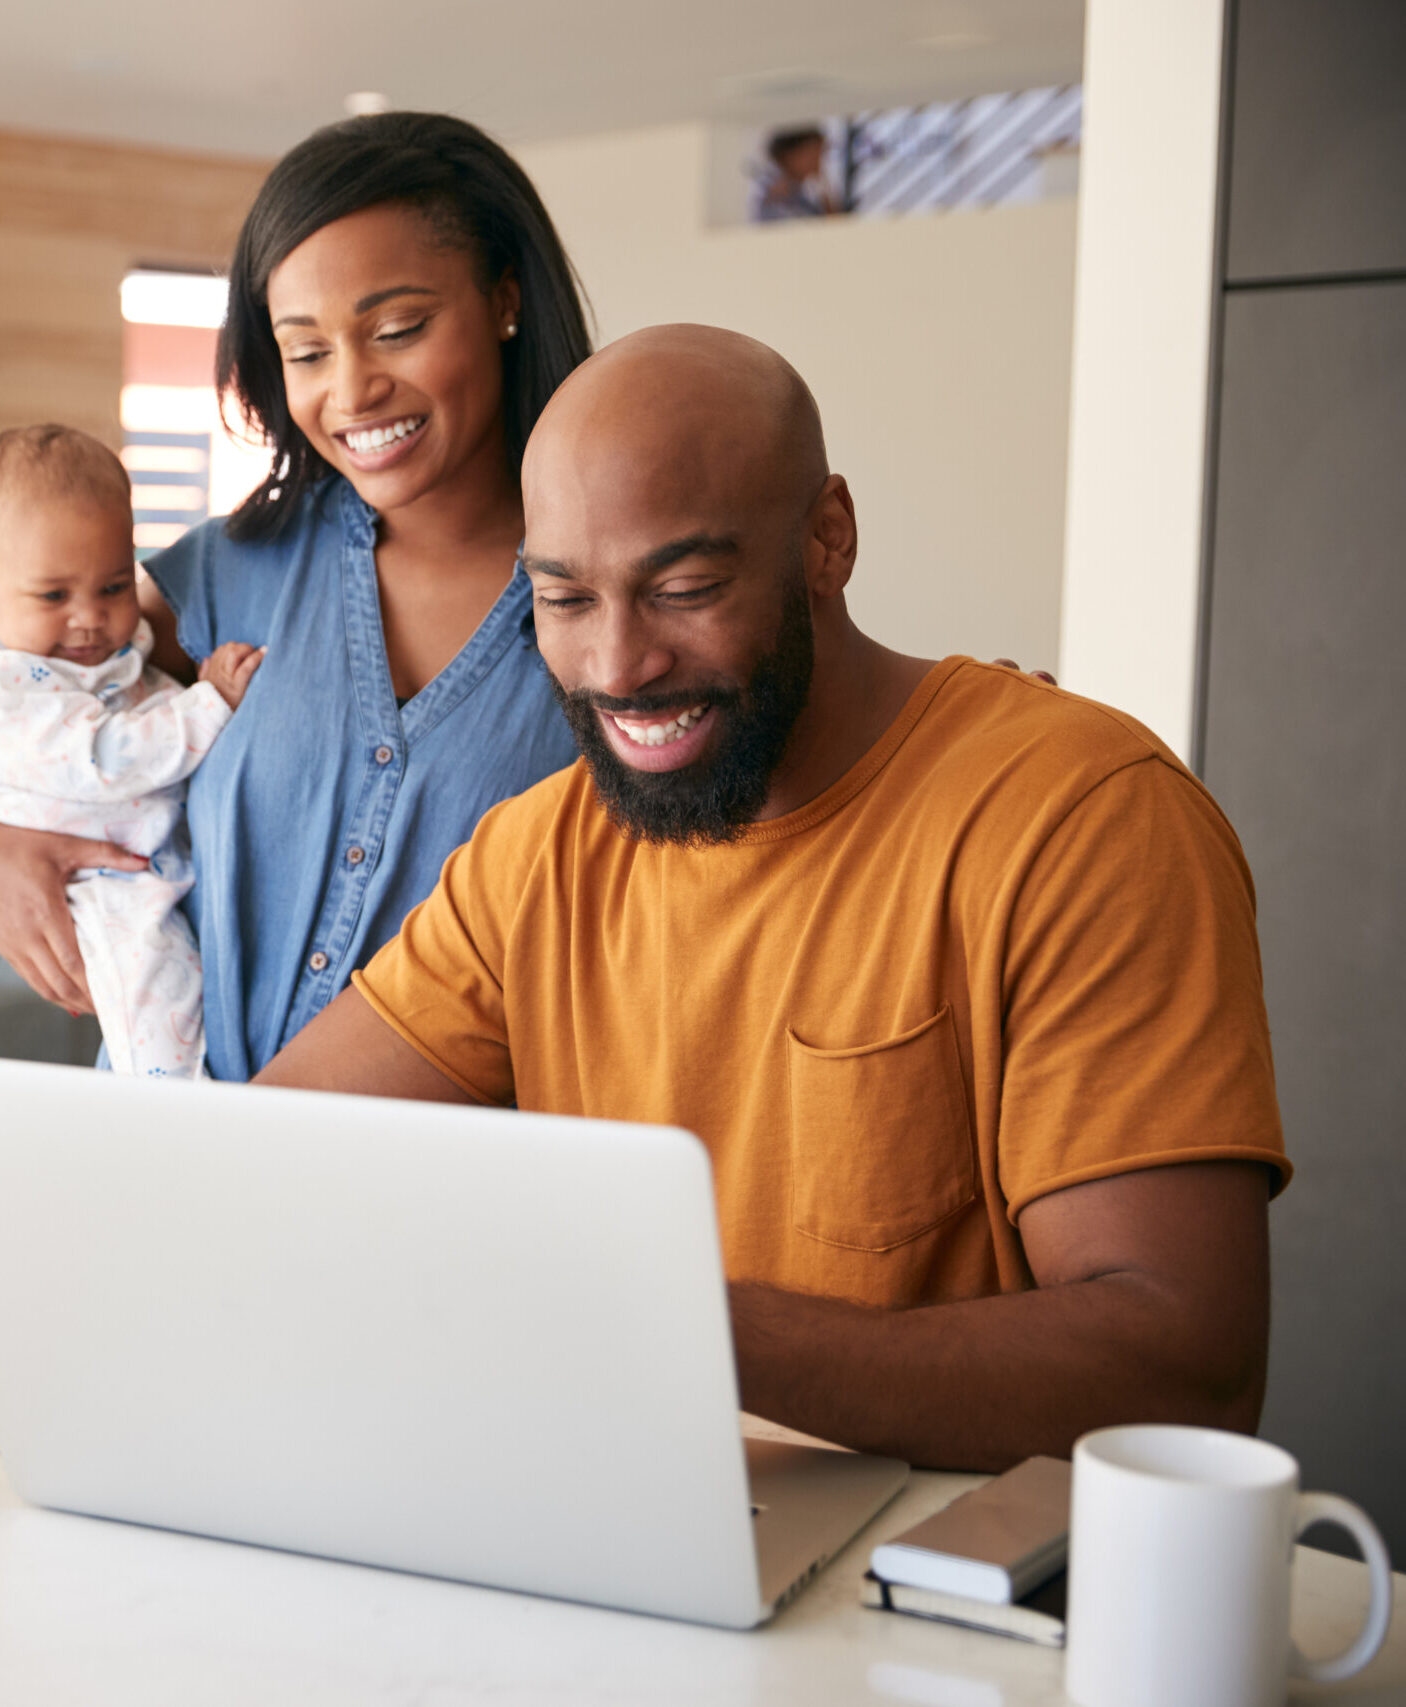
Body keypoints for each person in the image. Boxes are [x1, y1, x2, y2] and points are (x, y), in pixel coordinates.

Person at [258, 325, 1290, 1473]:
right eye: (564, 600)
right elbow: (259, 1167)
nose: (617, 666)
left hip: (942, 1596)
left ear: (828, 542)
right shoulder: (535, 856)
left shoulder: (1080, 818)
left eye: (684, 589)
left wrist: (679, 1326)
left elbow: (1184, 1371)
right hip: (624, 1536)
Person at [0, 113, 592, 1079]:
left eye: (399, 329)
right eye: (306, 351)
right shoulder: (227, 572)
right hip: (192, 1163)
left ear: (505, 299)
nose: (354, 389)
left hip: (459, 1190)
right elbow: (37, 709)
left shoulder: (611, 601)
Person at [0, 424, 263, 1077]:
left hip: (140, 862)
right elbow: (109, 758)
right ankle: (175, 1115)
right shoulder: (7, 691)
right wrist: (212, 702)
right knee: (159, 1007)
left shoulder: (75, 655)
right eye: (54, 595)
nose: (89, 617)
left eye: (115, 587)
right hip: (100, 887)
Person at [752, 125, 837, 223]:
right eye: (814, 152)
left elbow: (834, 222)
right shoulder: (772, 191)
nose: (818, 161)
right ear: (791, 154)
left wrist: (824, 188)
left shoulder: (801, 191)